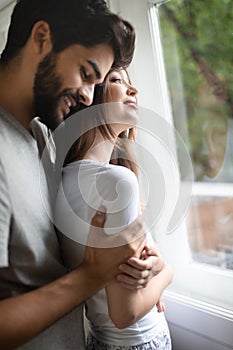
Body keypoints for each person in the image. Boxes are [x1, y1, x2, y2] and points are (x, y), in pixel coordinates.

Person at [0, 1, 165, 349]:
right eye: (87, 73)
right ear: (42, 37)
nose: (89, 96)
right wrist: (92, 276)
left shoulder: (41, 136)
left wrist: (147, 260)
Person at [55, 68, 173, 349]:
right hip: (141, 340)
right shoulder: (117, 182)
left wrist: (153, 266)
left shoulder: (60, 180)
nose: (134, 90)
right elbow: (125, 314)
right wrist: (167, 272)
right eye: (118, 80)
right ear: (89, 95)